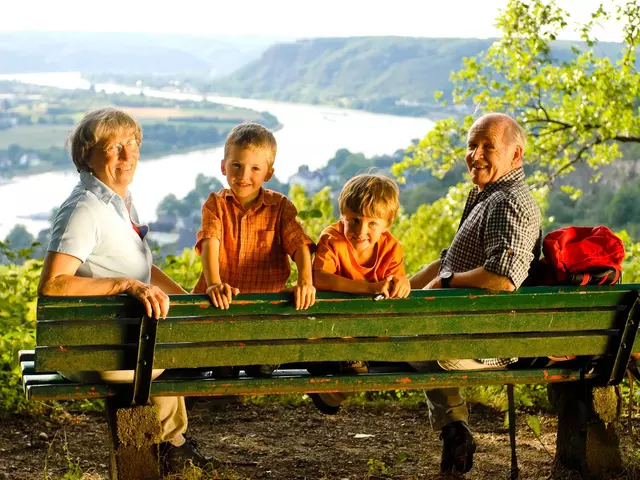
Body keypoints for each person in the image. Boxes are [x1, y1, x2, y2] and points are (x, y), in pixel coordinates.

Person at [37, 108, 212, 473]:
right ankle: (172, 448)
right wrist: (125, 284)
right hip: (101, 351)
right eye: (114, 146)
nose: (127, 155)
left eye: (132, 144)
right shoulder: (84, 209)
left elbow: (141, 269)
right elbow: (54, 284)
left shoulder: (116, 200)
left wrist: (187, 301)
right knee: (176, 348)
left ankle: (173, 446)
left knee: (170, 337)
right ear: (87, 155)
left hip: (121, 339)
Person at [409, 113, 541, 474]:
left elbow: (504, 277)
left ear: (516, 155)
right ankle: (455, 430)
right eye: (472, 145)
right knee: (394, 325)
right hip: (463, 324)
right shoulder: (488, 194)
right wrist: (407, 286)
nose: (476, 154)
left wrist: (447, 283)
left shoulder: (507, 201)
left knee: (396, 338)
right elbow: (449, 262)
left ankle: (332, 387)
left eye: (488, 146)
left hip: (481, 339)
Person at [192, 122, 316, 377]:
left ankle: (256, 359)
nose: (243, 175)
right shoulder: (215, 205)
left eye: (254, 168)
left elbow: (299, 244)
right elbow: (210, 241)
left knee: (260, 366)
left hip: (263, 315)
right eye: (236, 165)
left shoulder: (280, 206)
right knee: (221, 369)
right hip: (221, 310)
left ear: (268, 173)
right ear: (223, 166)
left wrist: (305, 281)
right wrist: (214, 283)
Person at [309, 173, 410, 413]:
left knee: (359, 372)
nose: (361, 230)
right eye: (353, 220)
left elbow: (396, 280)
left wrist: (402, 283)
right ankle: (329, 385)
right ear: (342, 216)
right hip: (331, 327)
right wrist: (369, 288)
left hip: (367, 330)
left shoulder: (391, 248)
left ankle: (328, 396)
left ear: (387, 224)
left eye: (372, 223)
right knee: (357, 373)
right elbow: (319, 279)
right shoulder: (333, 239)